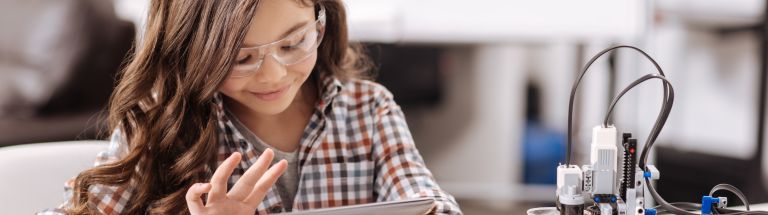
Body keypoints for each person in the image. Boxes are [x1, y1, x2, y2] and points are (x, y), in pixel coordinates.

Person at [39, 0, 462, 214]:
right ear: (190, 55)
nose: (274, 75)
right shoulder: (158, 126)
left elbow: (429, 203)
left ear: (321, 22)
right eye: (240, 59)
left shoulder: (369, 111)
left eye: (294, 43)